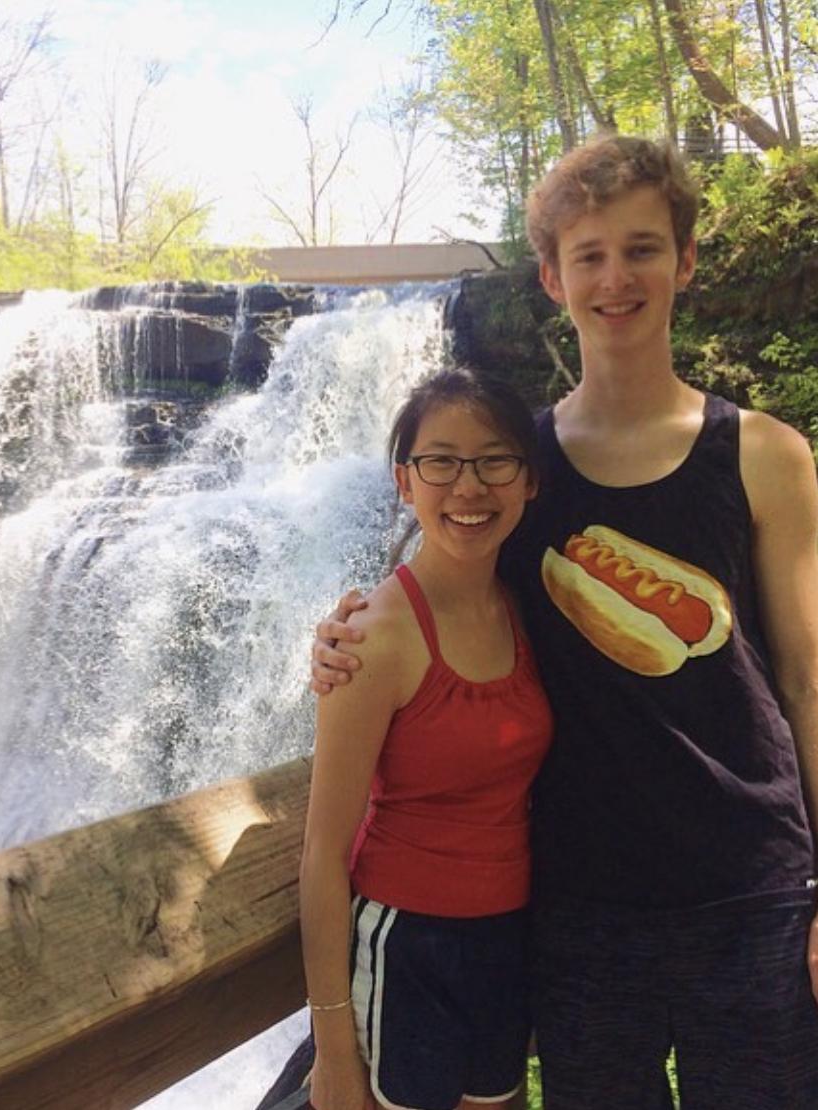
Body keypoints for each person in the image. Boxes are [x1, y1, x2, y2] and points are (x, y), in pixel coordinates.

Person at [311, 134, 818, 1110]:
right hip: (578, 904)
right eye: (587, 255)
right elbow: (423, 604)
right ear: (551, 276)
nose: (614, 278)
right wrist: (339, 634)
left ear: (685, 262)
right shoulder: (513, 469)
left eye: (641, 248)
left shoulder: (765, 456)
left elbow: (805, 681)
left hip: (750, 886)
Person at [300, 367, 553, 1110]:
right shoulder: (372, 638)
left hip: (510, 935)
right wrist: (333, 1048)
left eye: (494, 460)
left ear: (529, 481)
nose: (468, 486)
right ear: (405, 483)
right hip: (408, 947)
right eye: (439, 461)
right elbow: (322, 854)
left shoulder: (525, 603)